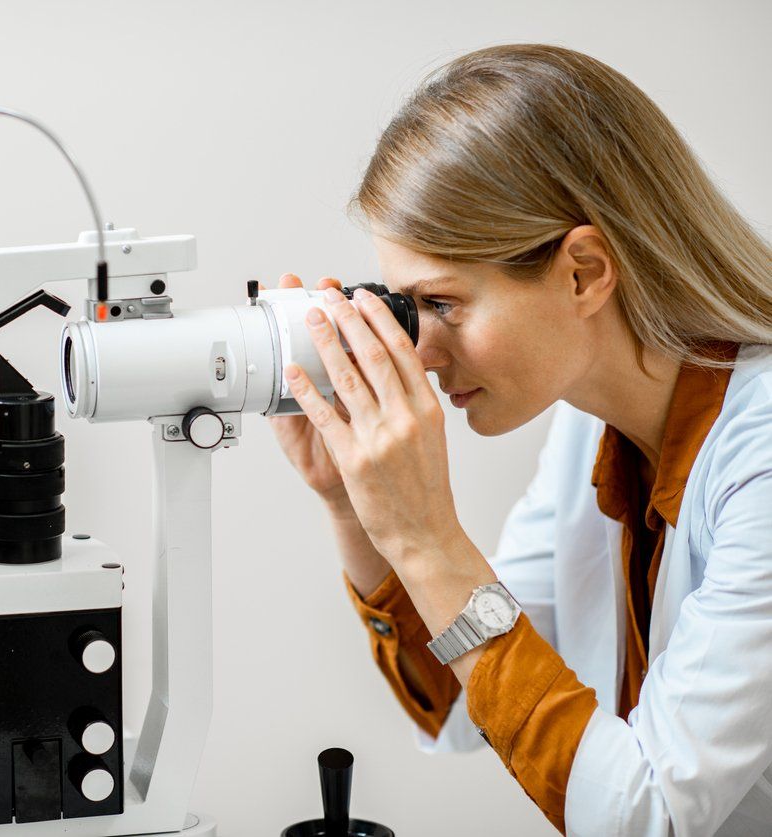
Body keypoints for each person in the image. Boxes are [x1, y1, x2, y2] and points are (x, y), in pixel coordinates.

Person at [270, 44, 772, 835]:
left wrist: (429, 538)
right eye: (404, 311)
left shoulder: (764, 462)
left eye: (441, 303)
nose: (421, 353)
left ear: (583, 272)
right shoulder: (590, 425)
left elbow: (645, 816)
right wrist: (353, 506)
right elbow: (466, 705)